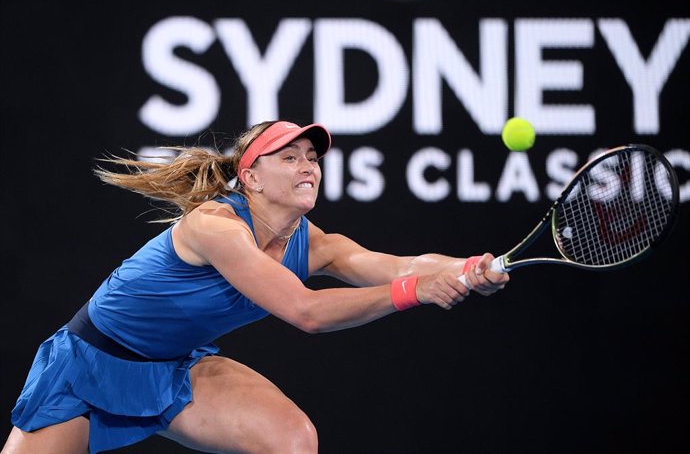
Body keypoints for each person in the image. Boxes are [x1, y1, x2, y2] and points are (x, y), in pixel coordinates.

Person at [2, 120, 510, 454]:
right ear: (252, 178)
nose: (308, 165)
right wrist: (417, 291)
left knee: (293, 440)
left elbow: (398, 264)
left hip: (178, 369)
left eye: (312, 156)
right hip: (87, 365)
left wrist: (468, 268)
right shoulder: (215, 226)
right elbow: (307, 311)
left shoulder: (313, 244)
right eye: (289, 157)